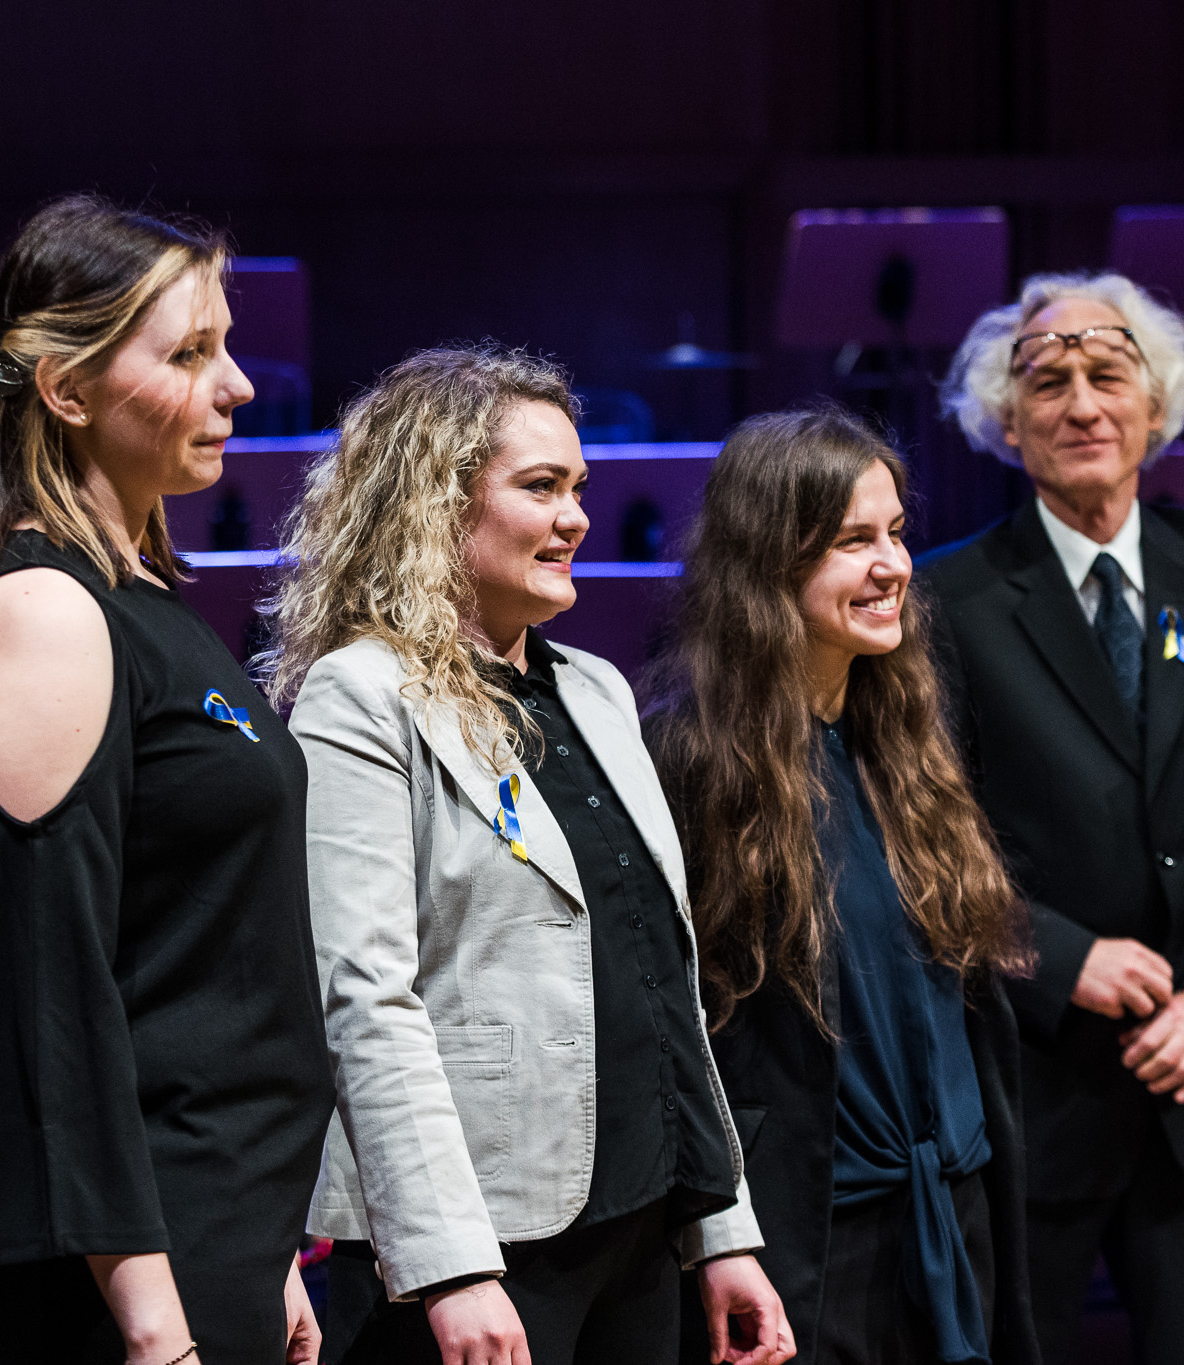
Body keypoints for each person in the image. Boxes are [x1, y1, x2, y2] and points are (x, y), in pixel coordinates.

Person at [268, 346, 792, 1365]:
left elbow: (660, 973)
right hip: (487, 1251)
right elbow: (363, 997)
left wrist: (720, 1230)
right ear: (435, 505)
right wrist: (449, 1267)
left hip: (641, 1220)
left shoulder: (595, 688)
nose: (577, 518)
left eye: (578, 487)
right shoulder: (360, 696)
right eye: (541, 487)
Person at [0, 195, 334, 1365]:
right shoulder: (41, 609)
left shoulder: (143, 601)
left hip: (213, 1236)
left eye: (224, 346)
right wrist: (155, 1324)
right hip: (126, 1280)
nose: (237, 385)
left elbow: (204, 956)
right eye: (190, 353)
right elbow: (47, 997)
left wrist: (263, 1256)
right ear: (67, 390)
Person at [924, 272, 1184, 1364]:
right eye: (1046, 383)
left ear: (1156, 407)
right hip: (1033, 1085)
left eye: (1108, 375)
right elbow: (924, 839)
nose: (1081, 405)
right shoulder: (944, 597)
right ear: (1005, 424)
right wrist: (1060, 958)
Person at [643, 408, 1040, 1365]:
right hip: (810, 1238)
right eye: (853, 541)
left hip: (956, 1215)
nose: (893, 565)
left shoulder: (904, 730)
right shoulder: (687, 755)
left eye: (896, 532)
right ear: (769, 561)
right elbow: (672, 1027)